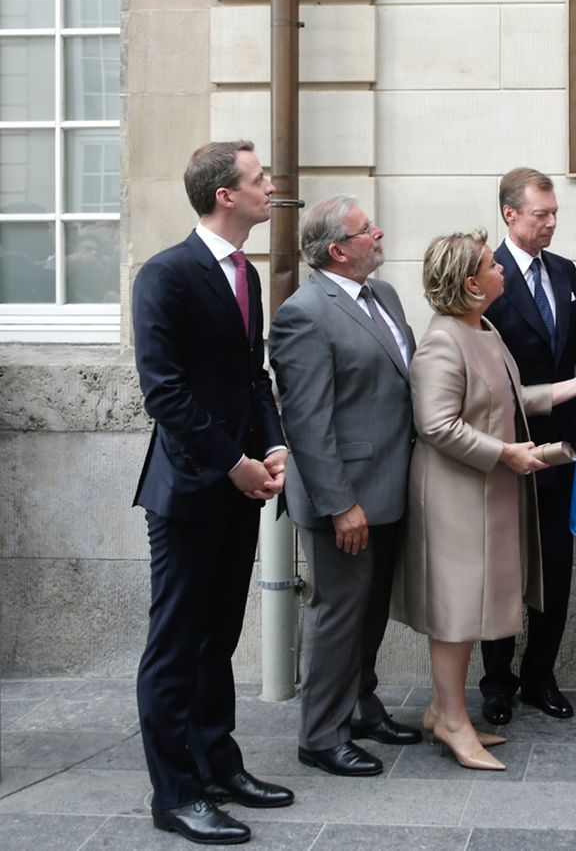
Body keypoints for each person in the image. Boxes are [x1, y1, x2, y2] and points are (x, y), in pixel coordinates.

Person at [132, 140, 294, 845]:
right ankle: (174, 794)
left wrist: (276, 444)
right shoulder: (164, 276)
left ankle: (218, 763)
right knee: (176, 646)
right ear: (225, 196)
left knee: (218, 640)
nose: (271, 187)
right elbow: (163, 394)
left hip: (242, 485)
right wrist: (234, 462)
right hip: (189, 491)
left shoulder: (246, 276)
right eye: (260, 180)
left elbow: (251, 377)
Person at [391, 229, 576, 771]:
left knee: (471, 608)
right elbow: (435, 424)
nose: (502, 269)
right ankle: (455, 723)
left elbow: (509, 397)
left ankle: (443, 709)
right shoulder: (443, 341)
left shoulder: (483, 329)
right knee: (455, 613)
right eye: (491, 264)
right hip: (456, 499)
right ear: (469, 283)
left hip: (486, 493)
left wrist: (567, 389)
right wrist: (505, 453)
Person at [268, 196, 422, 779]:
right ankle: (320, 735)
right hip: (343, 499)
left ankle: (361, 704)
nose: (379, 233)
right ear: (338, 249)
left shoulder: (384, 295)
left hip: (387, 487)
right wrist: (341, 505)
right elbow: (306, 422)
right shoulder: (304, 313)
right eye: (366, 230)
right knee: (338, 614)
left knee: (370, 610)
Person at [480, 167, 576, 726]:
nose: (550, 223)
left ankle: (539, 675)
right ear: (510, 214)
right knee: (502, 569)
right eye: (540, 214)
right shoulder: (484, 275)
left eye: (554, 214)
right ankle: (496, 683)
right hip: (502, 450)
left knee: (555, 568)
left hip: (561, 448)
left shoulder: (564, 272)